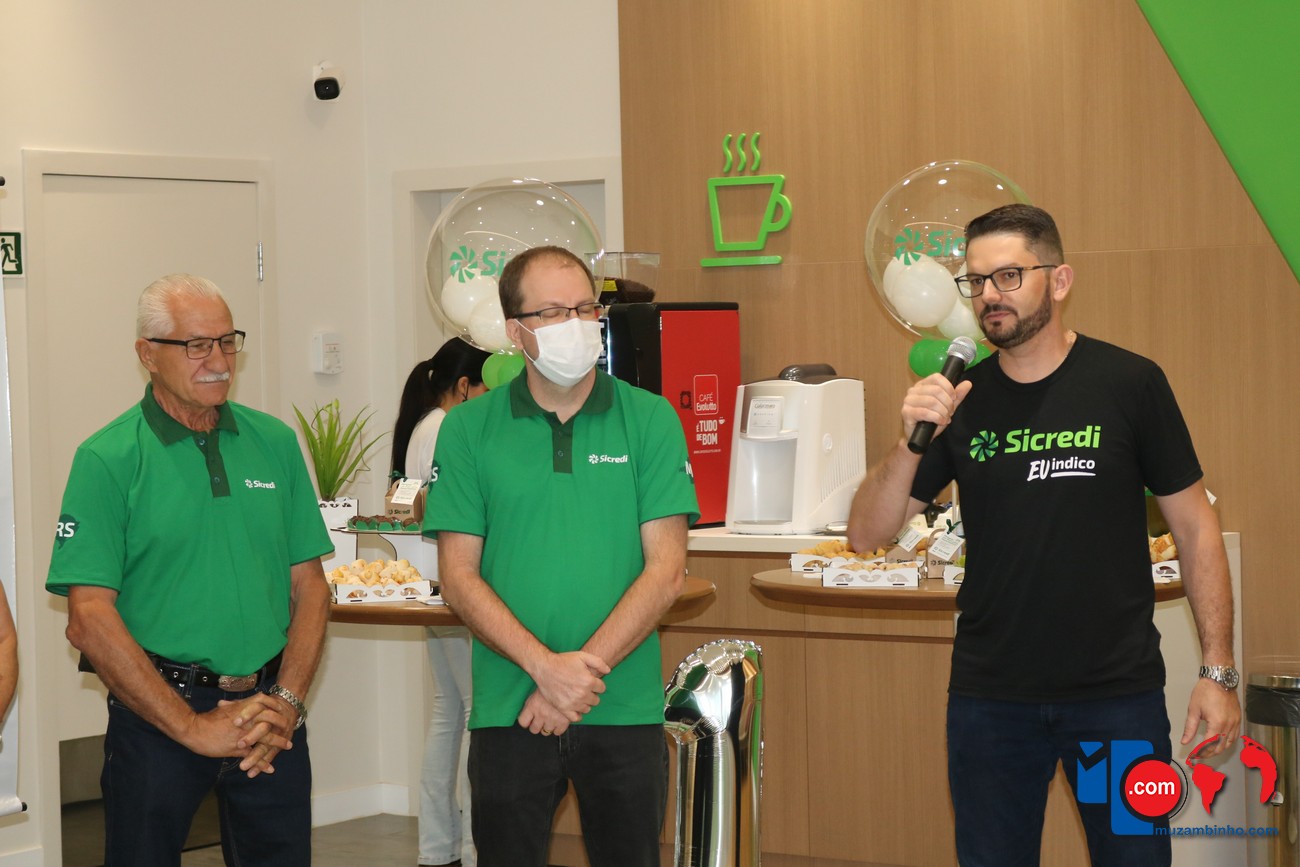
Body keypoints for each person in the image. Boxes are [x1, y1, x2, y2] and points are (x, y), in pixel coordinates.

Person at [847, 205, 1239, 866]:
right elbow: (866, 534)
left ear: (1059, 280)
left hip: (1116, 699)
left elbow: (1196, 526)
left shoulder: (1129, 383)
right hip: (991, 702)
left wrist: (1218, 670)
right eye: (976, 281)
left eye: (1008, 275)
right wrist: (909, 441)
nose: (989, 295)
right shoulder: (960, 399)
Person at [423, 245, 699, 867]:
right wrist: (545, 670)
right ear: (515, 331)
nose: (575, 324)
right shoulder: (468, 429)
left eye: (584, 308)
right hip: (508, 710)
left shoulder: (649, 419)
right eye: (551, 312)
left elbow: (665, 572)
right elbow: (459, 577)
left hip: (622, 708)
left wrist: (570, 682)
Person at [46, 274, 333, 867]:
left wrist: (287, 702)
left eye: (228, 342)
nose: (220, 361)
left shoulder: (274, 442)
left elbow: (310, 587)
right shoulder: (107, 458)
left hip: (268, 717)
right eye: (197, 345)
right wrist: (191, 727)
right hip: (157, 720)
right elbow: (88, 618)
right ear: (147, 354)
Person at [391, 337, 489, 867]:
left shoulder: (423, 426)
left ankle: (437, 847)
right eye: (487, 387)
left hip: (429, 581)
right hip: (454, 586)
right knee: (472, 711)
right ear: (464, 386)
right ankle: (473, 847)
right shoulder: (449, 427)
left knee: (448, 709)